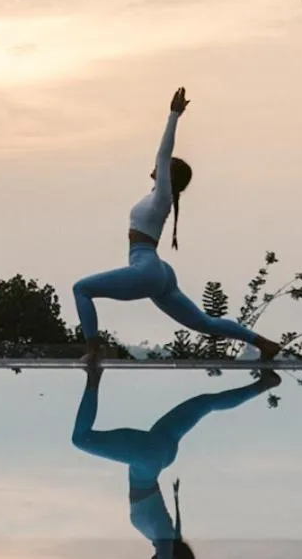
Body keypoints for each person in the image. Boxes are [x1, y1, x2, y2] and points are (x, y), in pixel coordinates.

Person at [71, 352, 281, 559]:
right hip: (146, 457)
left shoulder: (168, 535)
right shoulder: (164, 539)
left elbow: (178, 527)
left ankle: (265, 384)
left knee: (205, 403)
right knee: (81, 439)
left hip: (164, 453)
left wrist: (179, 498)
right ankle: (93, 374)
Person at [72, 86, 281, 359]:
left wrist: (173, 115)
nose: (158, 164)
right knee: (204, 323)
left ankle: (92, 350)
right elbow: (160, 160)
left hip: (147, 268)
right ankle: (265, 343)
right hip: (158, 271)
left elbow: (162, 154)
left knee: (82, 289)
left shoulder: (162, 197)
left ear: (168, 176)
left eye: (164, 166)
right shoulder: (157, 199)